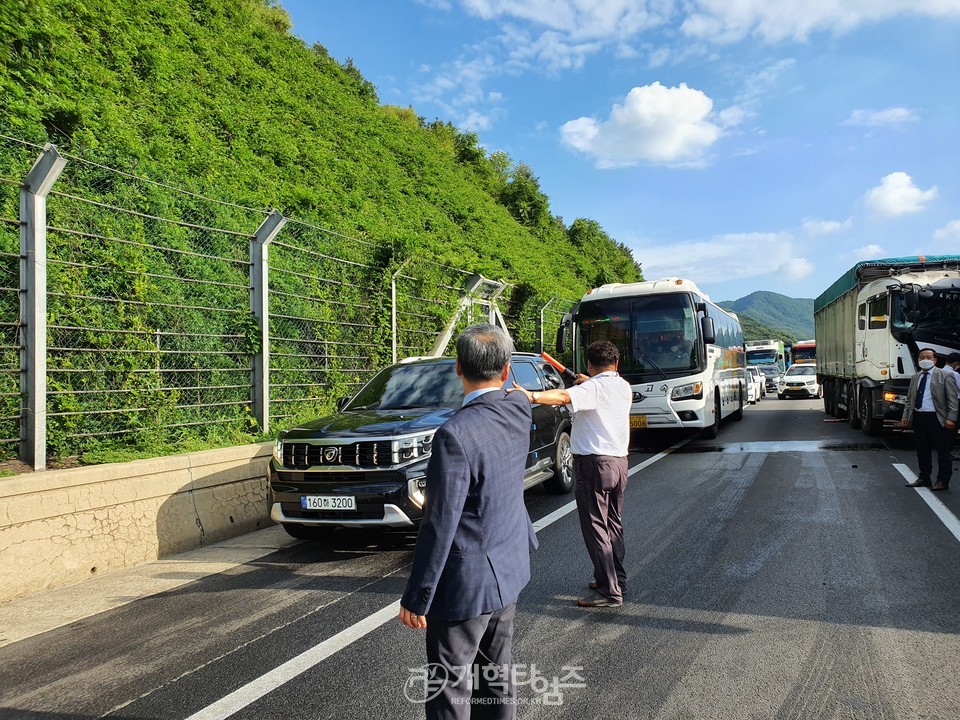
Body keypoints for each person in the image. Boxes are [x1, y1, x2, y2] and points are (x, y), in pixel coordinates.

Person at [399, 323, 537, 719]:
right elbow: (516, 392)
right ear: (507, 371)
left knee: (449, 689)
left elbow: (440, 524)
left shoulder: (454, 435)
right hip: (508, 569)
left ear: (457, 368)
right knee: (496, 675)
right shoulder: (517, 407)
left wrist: (417, 596)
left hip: (466, 586)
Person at [509, 340, 631, 607]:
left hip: (594, 465)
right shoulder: (622, 386)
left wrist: (532, 396)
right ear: (617, 363)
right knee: (613, 524)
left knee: (595, 527)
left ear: (589, 363)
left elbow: (563, 396)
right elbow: (598, 387)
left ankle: (609, 592)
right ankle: (614, 580)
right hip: (619, 463)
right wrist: (588, 382)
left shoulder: (592, 388)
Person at [901, 347, 959, 492]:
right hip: (920, 418)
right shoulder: (916, 377)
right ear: (918, 360)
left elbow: (952, 399)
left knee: (943, 451)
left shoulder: (945, 375)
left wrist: (951, 418)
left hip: (938, 419)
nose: (925, 360)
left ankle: (942, 480)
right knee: (922, 450)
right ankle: (924, 477)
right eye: (922, 357)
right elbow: (909, 399)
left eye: (929, 357)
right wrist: (905, 416)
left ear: (935, 360)